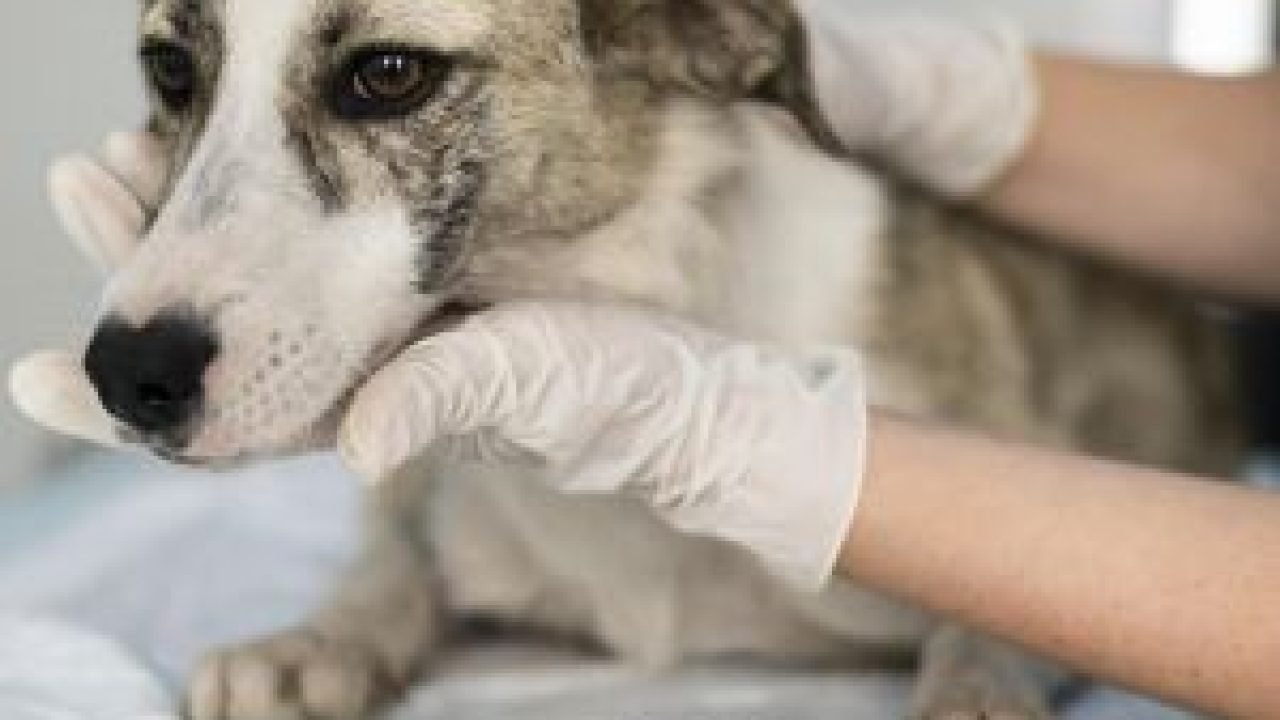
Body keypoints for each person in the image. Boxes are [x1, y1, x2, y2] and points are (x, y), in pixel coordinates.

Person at [12, 6, 1280, 718]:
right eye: (181, 69)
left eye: (384, 74)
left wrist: (982, 653)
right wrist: (368, 613)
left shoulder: (883, 294)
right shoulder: (471, 408)